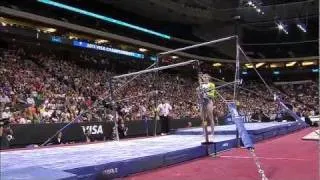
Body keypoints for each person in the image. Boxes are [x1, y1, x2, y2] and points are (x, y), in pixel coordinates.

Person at [197, 73, 216, 140]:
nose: (204, 78)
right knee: (203, 119)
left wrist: (205, 93)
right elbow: (199, 96)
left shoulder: (211, 85)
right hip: (202, 102)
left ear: (208, 78)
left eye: (206, 77)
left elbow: (212, 95)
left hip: (208, 101)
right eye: (203, 77)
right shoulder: (200, 85)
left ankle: (212, 133)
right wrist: (199, 92)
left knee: (211, 118)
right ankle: (204, 132)